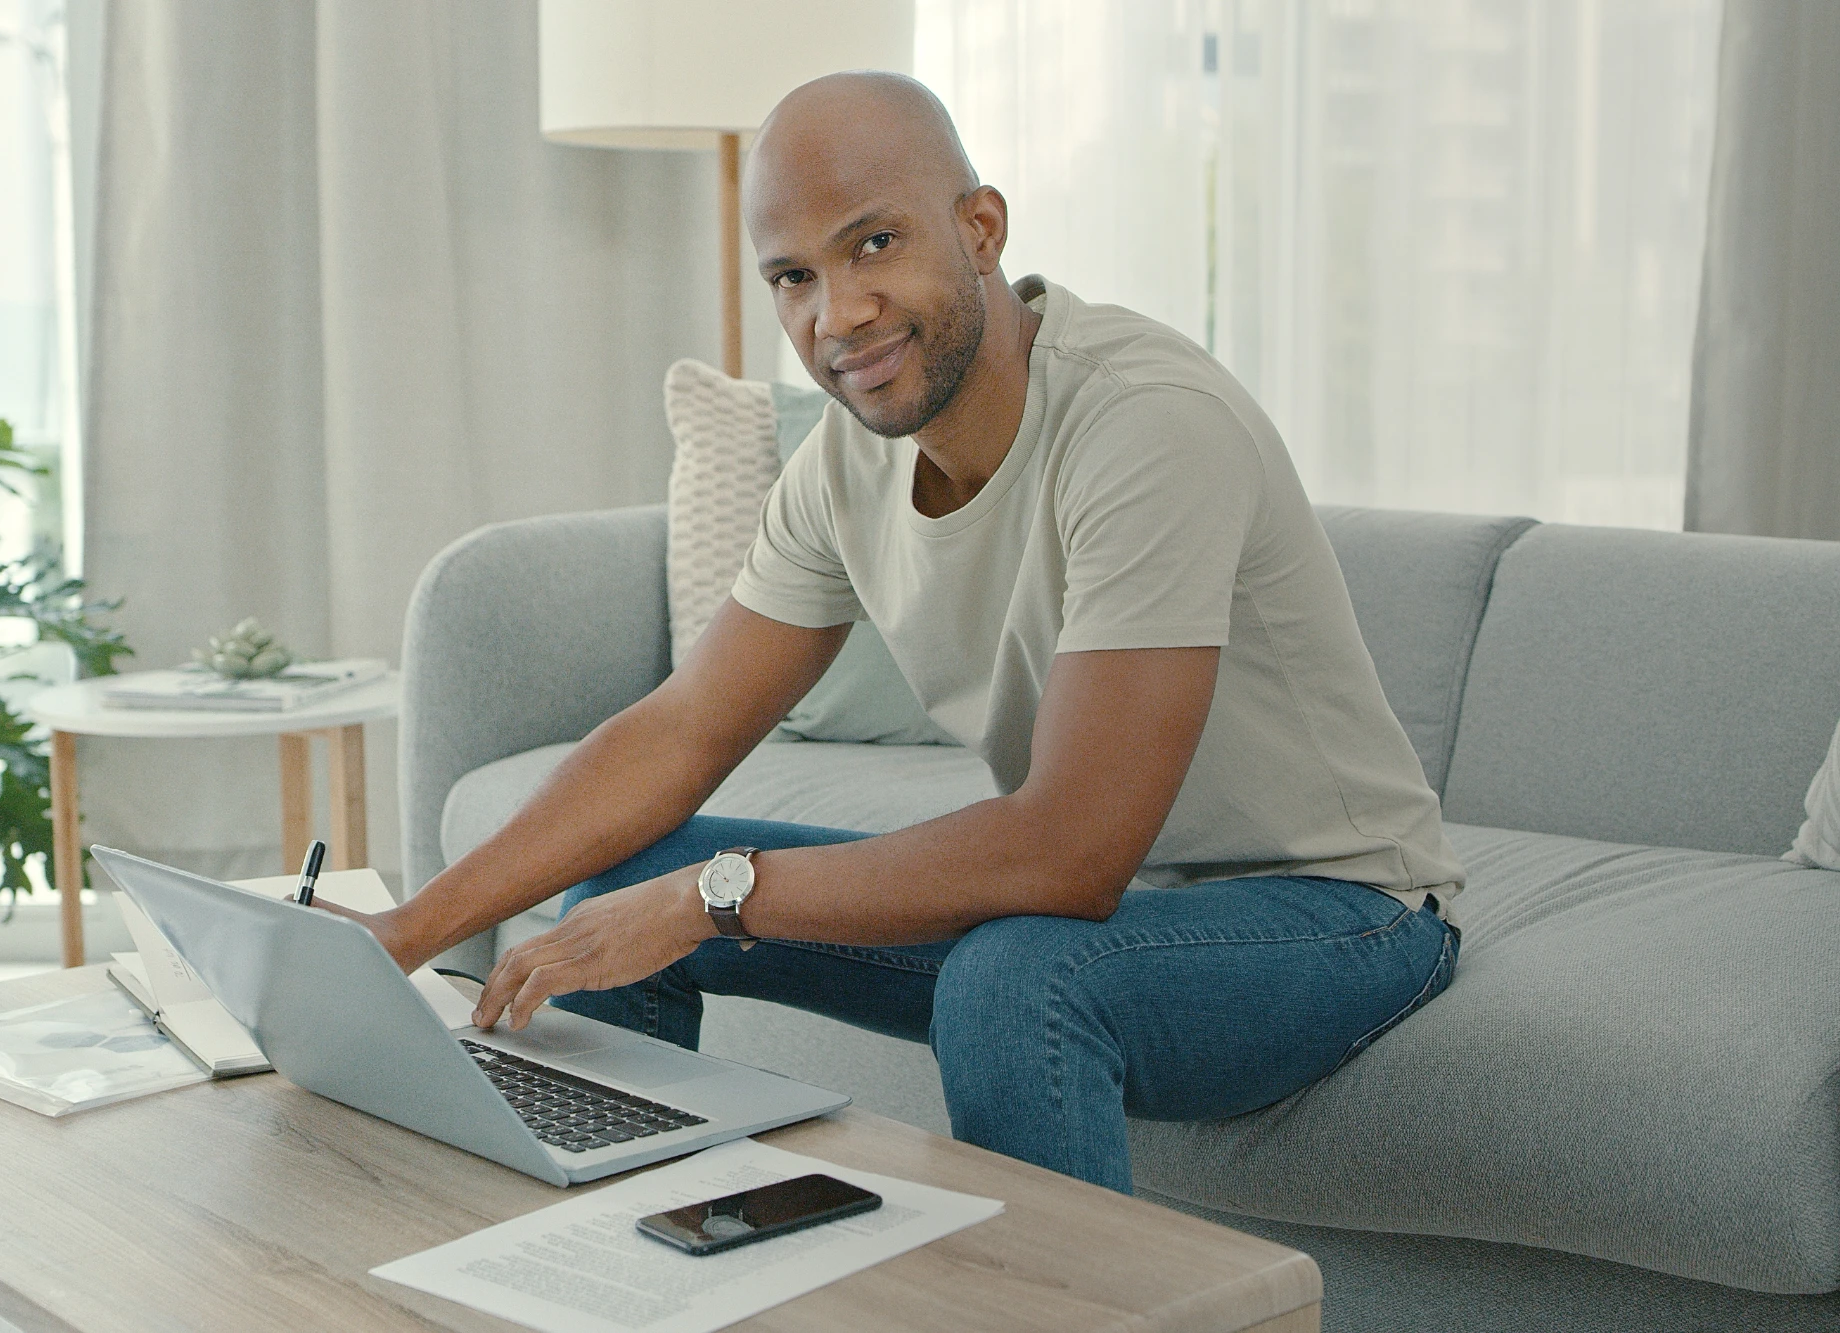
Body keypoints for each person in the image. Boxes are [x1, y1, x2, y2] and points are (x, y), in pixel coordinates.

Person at [329, 71, 1464, 1194]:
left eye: (872, 244)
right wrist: (408, 932)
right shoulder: (844, 463)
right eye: (793, 276)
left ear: (979, 228)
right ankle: (616, 1265)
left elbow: (1066, 852)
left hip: (1338, 914)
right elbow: (680, 731)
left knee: (1012, 978)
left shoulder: (1145, 425)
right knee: (626, 872)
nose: (837, 314)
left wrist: (710, 899)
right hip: (1116, 906)